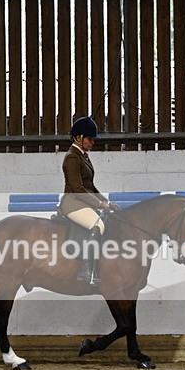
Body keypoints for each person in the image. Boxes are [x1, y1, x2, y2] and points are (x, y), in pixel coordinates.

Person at [59, 116, 120, 284]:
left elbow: (91, 186)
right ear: (78, 138)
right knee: (98, 225)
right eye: (90, 139)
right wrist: (99, 204)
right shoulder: (72, 157)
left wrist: (107, 203)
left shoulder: (83, 156)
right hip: (73, 203)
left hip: (82, 202)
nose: (93, 142)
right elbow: (78, 188)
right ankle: (86, 270)